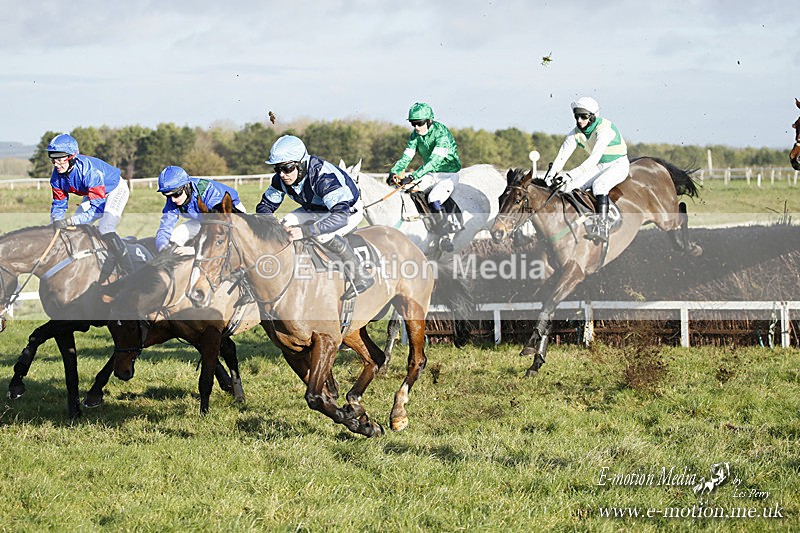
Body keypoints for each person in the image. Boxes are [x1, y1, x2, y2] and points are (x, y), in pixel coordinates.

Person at [256, 135, 373, 298]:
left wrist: (306, 231)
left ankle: (361, 275)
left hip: (346, 210)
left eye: (287, 168)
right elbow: (265, 207)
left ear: (301, 164)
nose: (282, 174)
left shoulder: (323, 177)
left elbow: (340, 216)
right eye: (278, 169)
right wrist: (272, 224)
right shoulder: (280, 179)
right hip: (314, 209)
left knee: (323, 235)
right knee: (284, 224)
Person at [47, 133, 134, 274]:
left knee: (105, 227)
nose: (56, 164)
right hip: (94, 194)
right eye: (53, 159)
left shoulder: (90, 172)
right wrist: (56, 222)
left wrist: (69, 221)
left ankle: (129, 271)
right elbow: (59, 204)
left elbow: (96, 211)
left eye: (60, 159)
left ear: (72, 157)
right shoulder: (56, 178)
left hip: (115, 189)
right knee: (78, 229)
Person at [546, 96, 629, 243]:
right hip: (600, 166)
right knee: (568, 188)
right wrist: (549, 177)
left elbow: (594, 159)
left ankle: (602, 226)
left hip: (618, 164)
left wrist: (570, 174)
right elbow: (561, 157)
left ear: (593, 117)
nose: (579, 120)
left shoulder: (604, 130)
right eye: (576, 116)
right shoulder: (575, 133)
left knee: (599, 186)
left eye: (583, 117)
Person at [388, 102, 462, 252]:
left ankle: (445, 236)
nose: (416, 127)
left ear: (429, 120)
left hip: (447, 175)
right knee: (408, 190)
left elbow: (433, 162)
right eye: (413, 123)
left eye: (419, 123)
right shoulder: (415, 135)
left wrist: (413, 176)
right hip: (430, 175)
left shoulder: (442, 134)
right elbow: (406, 157)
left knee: (433, 197)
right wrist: (394, 172)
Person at [155, 166, 247, 252]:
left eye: (176, 194)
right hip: (203, 219)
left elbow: (218, 230)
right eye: (167, 195)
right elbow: (165, 228)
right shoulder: (172, 200)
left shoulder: (209, 193)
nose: (173, 200)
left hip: (229, 216)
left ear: (186, 186)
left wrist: (194, 250)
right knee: (175, 236)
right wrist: (163, 247)